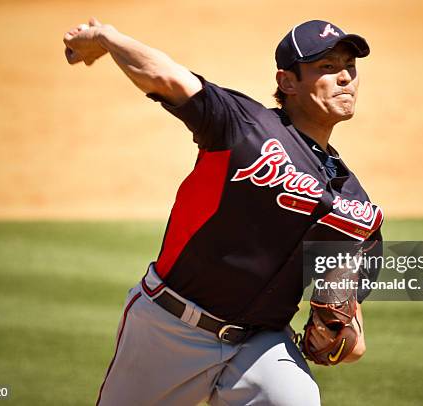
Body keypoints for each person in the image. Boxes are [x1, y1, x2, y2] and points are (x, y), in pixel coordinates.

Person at [63, 17, 383, 406]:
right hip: (170, 328)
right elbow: (167, 78)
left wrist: (341, 335)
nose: (345, 77)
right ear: (288, 83)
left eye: (349, 67)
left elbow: (349, 315)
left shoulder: (354, 201)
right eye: (327, 68)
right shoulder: (244, 126)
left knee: (296, 399)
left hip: (260, 344)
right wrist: (107, 38)